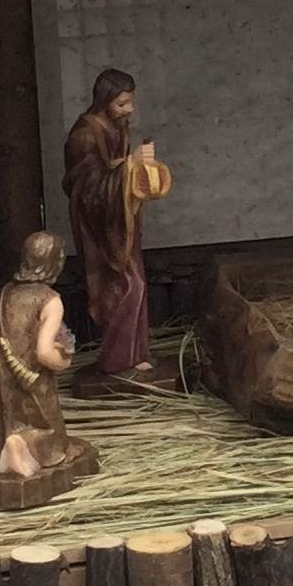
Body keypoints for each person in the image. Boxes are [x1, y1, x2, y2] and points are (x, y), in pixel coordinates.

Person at [62, 68, 174, 379]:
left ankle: (135, 354)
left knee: (137, 283)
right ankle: (116, 360)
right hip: (99, 226)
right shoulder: (84, 134)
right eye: (122, 104)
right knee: (123, 286)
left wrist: (137, 166)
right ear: (104, 101)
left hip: (122, 219)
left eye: (130, 102)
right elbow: (86, 185)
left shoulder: (117, 128)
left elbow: (117, 171)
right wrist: (128, 166)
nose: (129, 110)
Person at [0, 230, 93, 493]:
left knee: (7, 416)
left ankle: (7, 443)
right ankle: (24, 446)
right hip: (33, 377)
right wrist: (63, 361)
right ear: (56, 262)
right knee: (50, 429)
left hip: (0, 372)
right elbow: (43, 352)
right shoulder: (50, 300)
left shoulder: (5, 293)